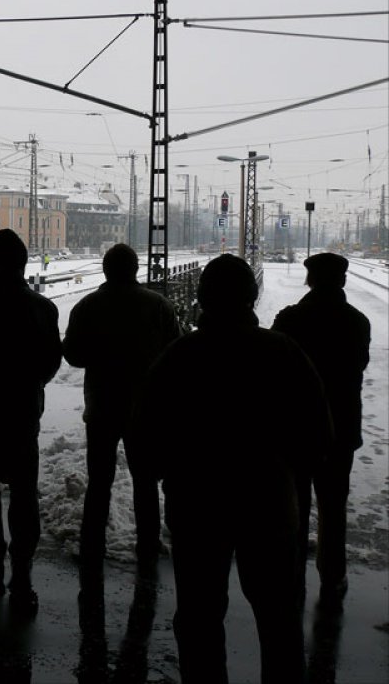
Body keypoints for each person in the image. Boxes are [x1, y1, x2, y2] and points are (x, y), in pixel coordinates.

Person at [135, 254, 332, 684]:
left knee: (199, 618)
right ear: (251, 296)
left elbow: (147, 438)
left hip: (197, 505)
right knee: (278, 620)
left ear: (203, 298)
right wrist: (286, 476)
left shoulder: (180, 356)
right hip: (268, 503)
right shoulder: (283, 352)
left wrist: (173, 475)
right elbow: (318, 435)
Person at [62, 243, 181, 571]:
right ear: (135, 269)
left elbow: (73, 355)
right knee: (145, 481)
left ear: (105, 270)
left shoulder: (88, 306)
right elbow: (175, 354)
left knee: (99, 481)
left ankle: (92, 543)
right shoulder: (159, 306)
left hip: (102, 404)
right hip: (145, 408)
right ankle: (148, 544)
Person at [0, 229, 62, 614]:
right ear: (23, 264)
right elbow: (51, 362)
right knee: (23, 492)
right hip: (22, 412)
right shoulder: (42, 308)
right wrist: (30, 383)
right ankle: (22, 568)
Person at [272, 252, 370, 606]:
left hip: (296, 428)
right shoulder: (356, 321)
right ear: (341, 280)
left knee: (293, 503)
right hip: (340, 427)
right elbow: (359, 365)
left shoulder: (290, 319)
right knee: (333, 505)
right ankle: (332, 575)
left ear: (310, 280)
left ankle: (291, 570)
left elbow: (275, 368)